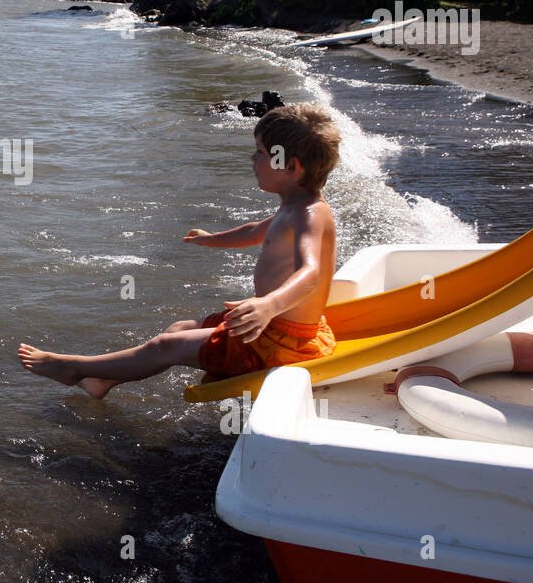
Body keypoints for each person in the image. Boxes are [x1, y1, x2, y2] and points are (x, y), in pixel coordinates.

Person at [19, 104, 341, 399]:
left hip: (279, 346)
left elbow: (310, 272)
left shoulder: (309, 215)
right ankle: (102, 380)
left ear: (291, 167)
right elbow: (256, 231)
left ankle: (76, 368)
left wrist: (269, 305)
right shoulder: (296, 206)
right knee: (179, 330)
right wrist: (211, 238)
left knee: (166, 346)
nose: (252, 159)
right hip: (269, 328)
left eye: (259, 152)